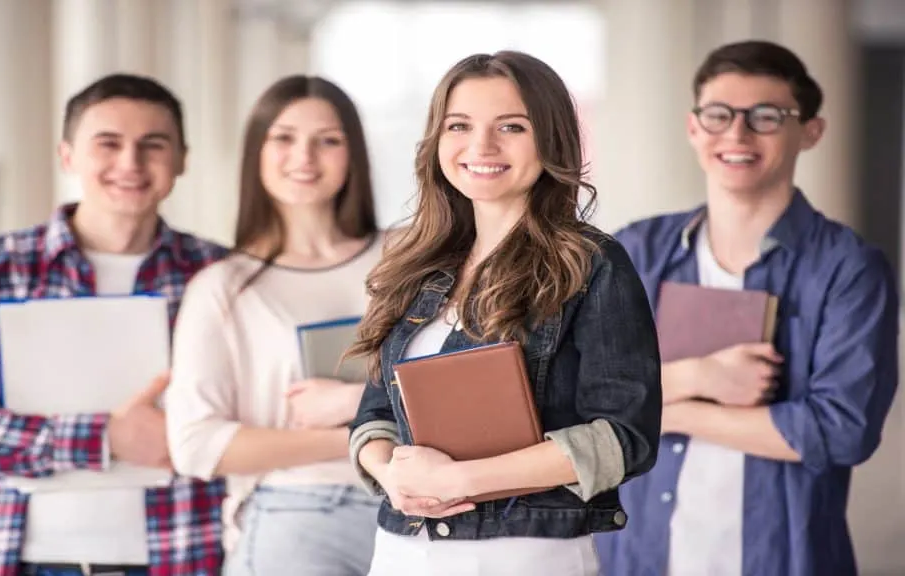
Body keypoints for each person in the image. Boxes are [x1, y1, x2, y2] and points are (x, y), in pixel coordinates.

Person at [345, 50, 662, 576]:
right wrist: (391, 473)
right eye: (459, 125)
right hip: (403, 551)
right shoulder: (416, 264)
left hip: (524, 554)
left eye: (511, 126)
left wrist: (459, 481)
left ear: (551, 138)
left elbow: (624, 438)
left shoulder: (591, 264)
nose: (481, 146)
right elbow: (375, 415)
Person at [594, 40, 900, 576]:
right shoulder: (637, 252)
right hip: (639, 557)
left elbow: (841, 430)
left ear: (810, 131)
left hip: (783, 558)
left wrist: (668, 412)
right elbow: (582, 395)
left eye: (765, 116)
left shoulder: (848, 269)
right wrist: (697, 375)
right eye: (718, 115)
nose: (736, 134)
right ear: (694, 129)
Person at [0, 74, 228, 576]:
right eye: (108, 144)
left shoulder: (220, 275)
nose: (130, 163)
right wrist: (105, 438)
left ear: (182, 159)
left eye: (153, 144)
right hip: (25, 558)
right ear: (68, 155)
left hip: (184, 554)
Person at [164, 75, 384, 576]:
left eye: (328, 140)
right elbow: (195, 444)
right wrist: (365, 436)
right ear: (256, 152)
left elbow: (452, 380)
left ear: (354, 154)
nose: (304, 157)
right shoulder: (223, 288)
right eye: (284, 138)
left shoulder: (405, 258)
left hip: (418, 506)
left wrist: (355, 406)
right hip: (296, 511)